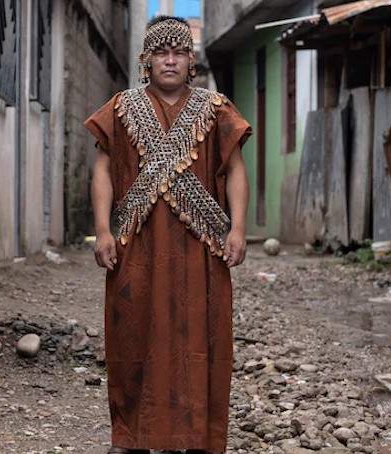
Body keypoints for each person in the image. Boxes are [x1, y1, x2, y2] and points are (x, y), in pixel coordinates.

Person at [84, 16, 253, 454]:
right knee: (131, 334)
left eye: (179, 53)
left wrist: (237, 229)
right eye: (161, 53)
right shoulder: (122, 108)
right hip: (136, 246)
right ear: (146, 59)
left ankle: (199, 437)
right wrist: (102, 231)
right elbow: (103, 170)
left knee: (201, 337)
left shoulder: (215, 109)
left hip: (201, 249)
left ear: (191, 60)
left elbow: (235, 170)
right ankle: (131, 436)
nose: (171, 61)